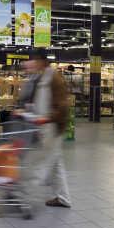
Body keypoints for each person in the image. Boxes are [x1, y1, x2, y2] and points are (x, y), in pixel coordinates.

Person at [19, 49, 71, 209]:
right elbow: (38, 101)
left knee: (40, 162)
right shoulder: (42, 76)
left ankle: (25, 197)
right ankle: (63, 198)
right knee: (56, 164)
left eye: (33, 60)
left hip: (52, 127)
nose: (31, 63)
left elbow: (63, 105)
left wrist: (47, 118)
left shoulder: (54, 77)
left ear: (41, 60)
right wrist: (26, 110)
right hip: (45, 125)